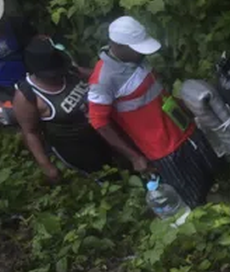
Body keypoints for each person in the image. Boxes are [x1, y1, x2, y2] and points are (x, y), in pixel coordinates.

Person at [88, 16, 218, 206]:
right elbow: (99, 123)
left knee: (212, 176)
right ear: (119, 46)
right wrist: (134, 157)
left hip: (184, 129)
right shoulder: (104, 80)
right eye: (136, 48)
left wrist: (186, 107)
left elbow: (157, 93)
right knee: (193, 198)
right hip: (163, 148)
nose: (142, 52)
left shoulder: (137, 59)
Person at [12, 36, 116, 182]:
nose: (57, 77)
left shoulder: (69, 71)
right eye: (51, 75)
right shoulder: (27, 96)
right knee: (109, 179)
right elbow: (30, 132)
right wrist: (46, 165)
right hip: (79, 148)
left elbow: (99, 77)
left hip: (105, 131)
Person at [0, 0, 35, 126]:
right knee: (11, 117)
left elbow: (33, 45)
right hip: (0, 88)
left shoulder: (16, 25)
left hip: (28, 78)